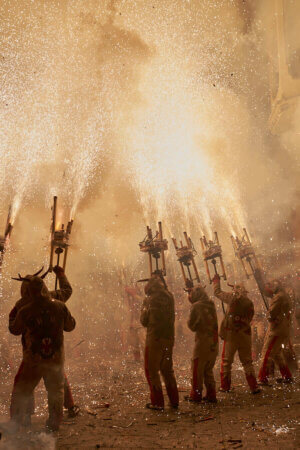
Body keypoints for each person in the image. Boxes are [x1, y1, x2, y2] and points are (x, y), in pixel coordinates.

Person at [9, 268, 76, 431]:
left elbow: (14, 329)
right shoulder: (57, 302)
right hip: (55, 355)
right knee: (56, 387)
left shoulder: (22, 307)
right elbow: (71, 325)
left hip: (33, 357)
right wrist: (61, 275)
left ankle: (22, 418)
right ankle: (56, 420)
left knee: (23, 386)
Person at [212, 274, 260, 394]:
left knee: (227, 361)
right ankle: (254, 387)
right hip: (245, 335)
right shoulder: (249, 302)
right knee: (247, 361)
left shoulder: (232, 298)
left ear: (236, 291)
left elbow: (217, 292)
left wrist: (216, 281)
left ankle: (225, 386)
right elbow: (249, 318)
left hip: (231, 335)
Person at [140, 274, 179, 410]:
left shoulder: (149, 299)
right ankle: (174, 400)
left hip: (154, 339)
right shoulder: (170, 296)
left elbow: (144, 321)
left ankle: (157, 402)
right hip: (169, 338)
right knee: (167, 370)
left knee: (151, 370)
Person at [185, 284, 218, 403]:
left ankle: (196, 395)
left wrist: (191, 304)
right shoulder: (211, 304)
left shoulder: (196, 306)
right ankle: (211, 394)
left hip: (202, 342)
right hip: (213, 343)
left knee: (197, 369)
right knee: (207, 369)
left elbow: (192, 326)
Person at [258, 279, 293, 385]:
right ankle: (287, 376)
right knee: (277, 353)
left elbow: (271, 314)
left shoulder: (278, 297)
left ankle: (262, 378)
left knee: (267, 352)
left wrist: (268, 314)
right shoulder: (284, 295)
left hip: (277, 329)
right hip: (283, 328)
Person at [124, 284, 143, 362]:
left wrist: (134, 295)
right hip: (132, 324)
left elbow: (142, 301)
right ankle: (137, 359)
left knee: (144, 342)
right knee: (134, 343)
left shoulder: (141, 298)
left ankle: (149, 360)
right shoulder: (128, 300)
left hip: (140, 324)